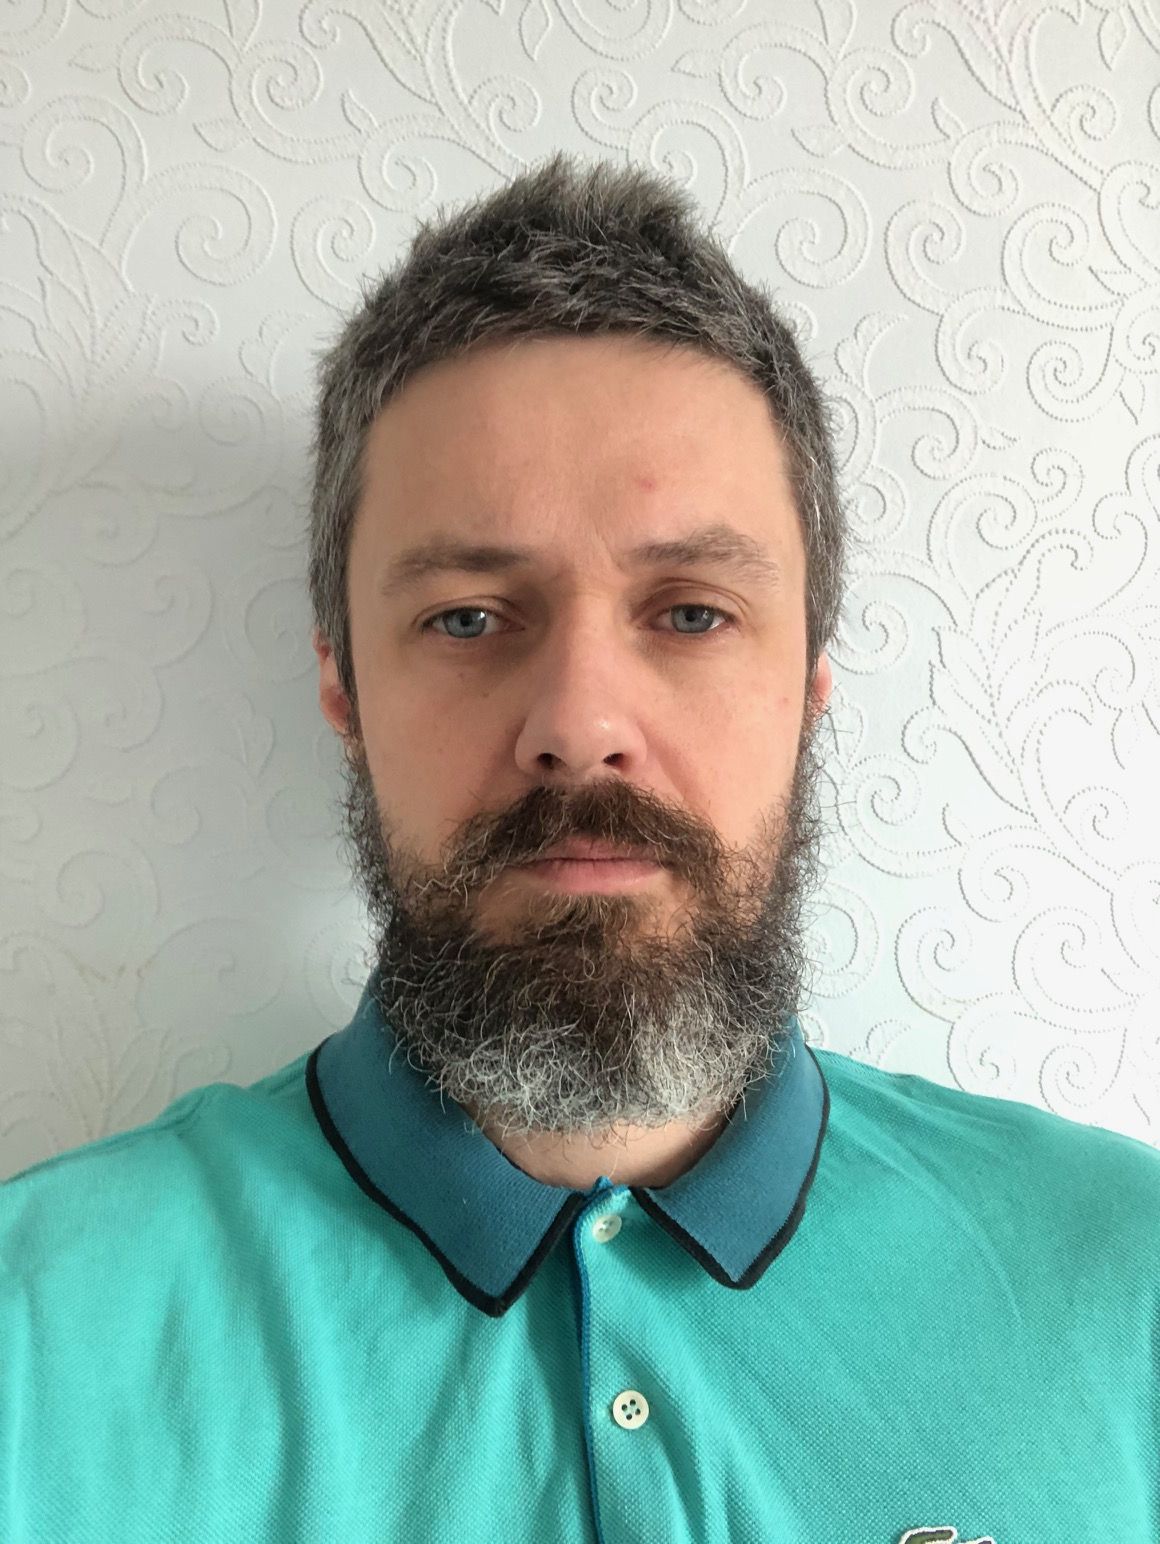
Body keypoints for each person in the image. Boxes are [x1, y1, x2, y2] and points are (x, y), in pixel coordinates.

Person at [2, 152, 1156, 1544]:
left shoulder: (1130, 1286)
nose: (580, 726)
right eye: (469, 618)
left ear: (811, 682)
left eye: (691, 612)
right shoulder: (35, 1336)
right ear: (341, 685)